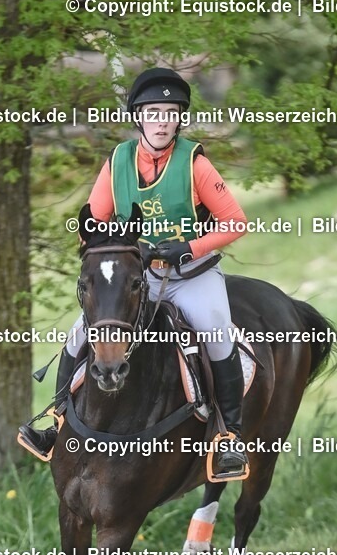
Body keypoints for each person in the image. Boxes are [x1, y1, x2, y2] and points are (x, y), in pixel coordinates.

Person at [28, 67, 251, 477]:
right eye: (153, 112)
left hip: (192, 275)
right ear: (140, 117)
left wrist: (188, 247)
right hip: (139, 277)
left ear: (179, 118)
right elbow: (94, 222)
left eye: (170, 112)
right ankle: (56, 423)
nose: (162, 120)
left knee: (217, 332)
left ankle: (228, 438)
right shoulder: (118, 162)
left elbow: (235, 222)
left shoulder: (195, 164)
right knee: (80, 333)